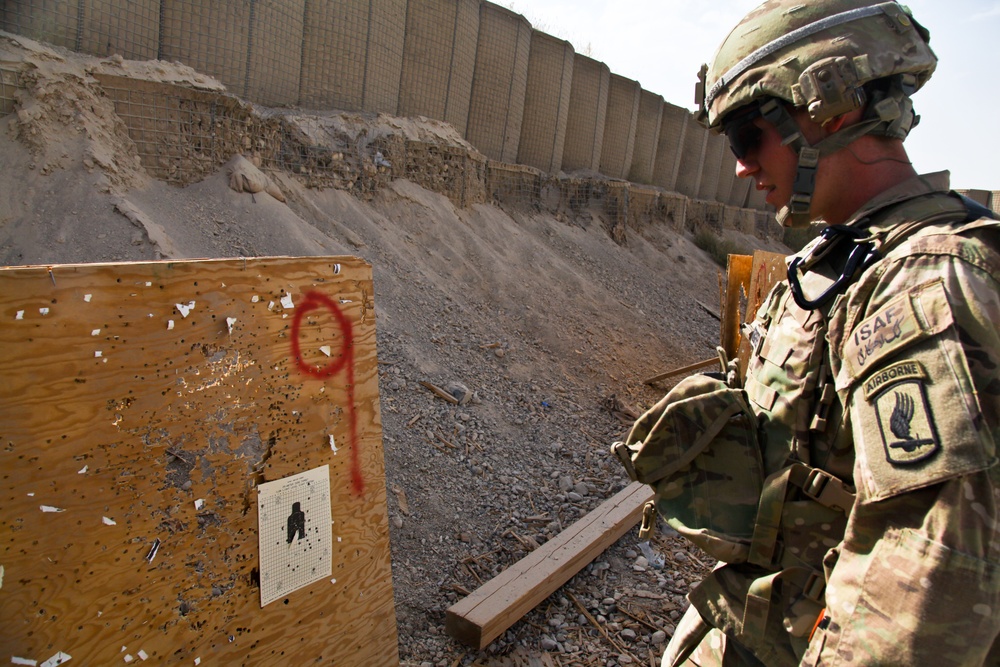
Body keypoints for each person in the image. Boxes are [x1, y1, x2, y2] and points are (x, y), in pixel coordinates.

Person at [616, 1, 1000, 665]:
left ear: (829, 107)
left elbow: (926, 590)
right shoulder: (840, 261)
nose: (740, 166)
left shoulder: (924, 284)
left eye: (746, 136)